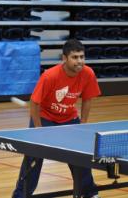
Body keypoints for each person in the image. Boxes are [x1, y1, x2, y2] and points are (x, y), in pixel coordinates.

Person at [12, 39, 101, 198]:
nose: (79, 61)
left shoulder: (88, 73)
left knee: (80, 155)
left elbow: (87, 99)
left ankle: (89, 192)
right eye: (75, 57)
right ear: (64, 58)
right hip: (45, 117)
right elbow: (35, 103)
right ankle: (21, 195)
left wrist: (84, 124)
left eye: (82, 57)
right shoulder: (49, 76)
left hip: (69, 118)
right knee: (34, 156)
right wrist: (38, 129)